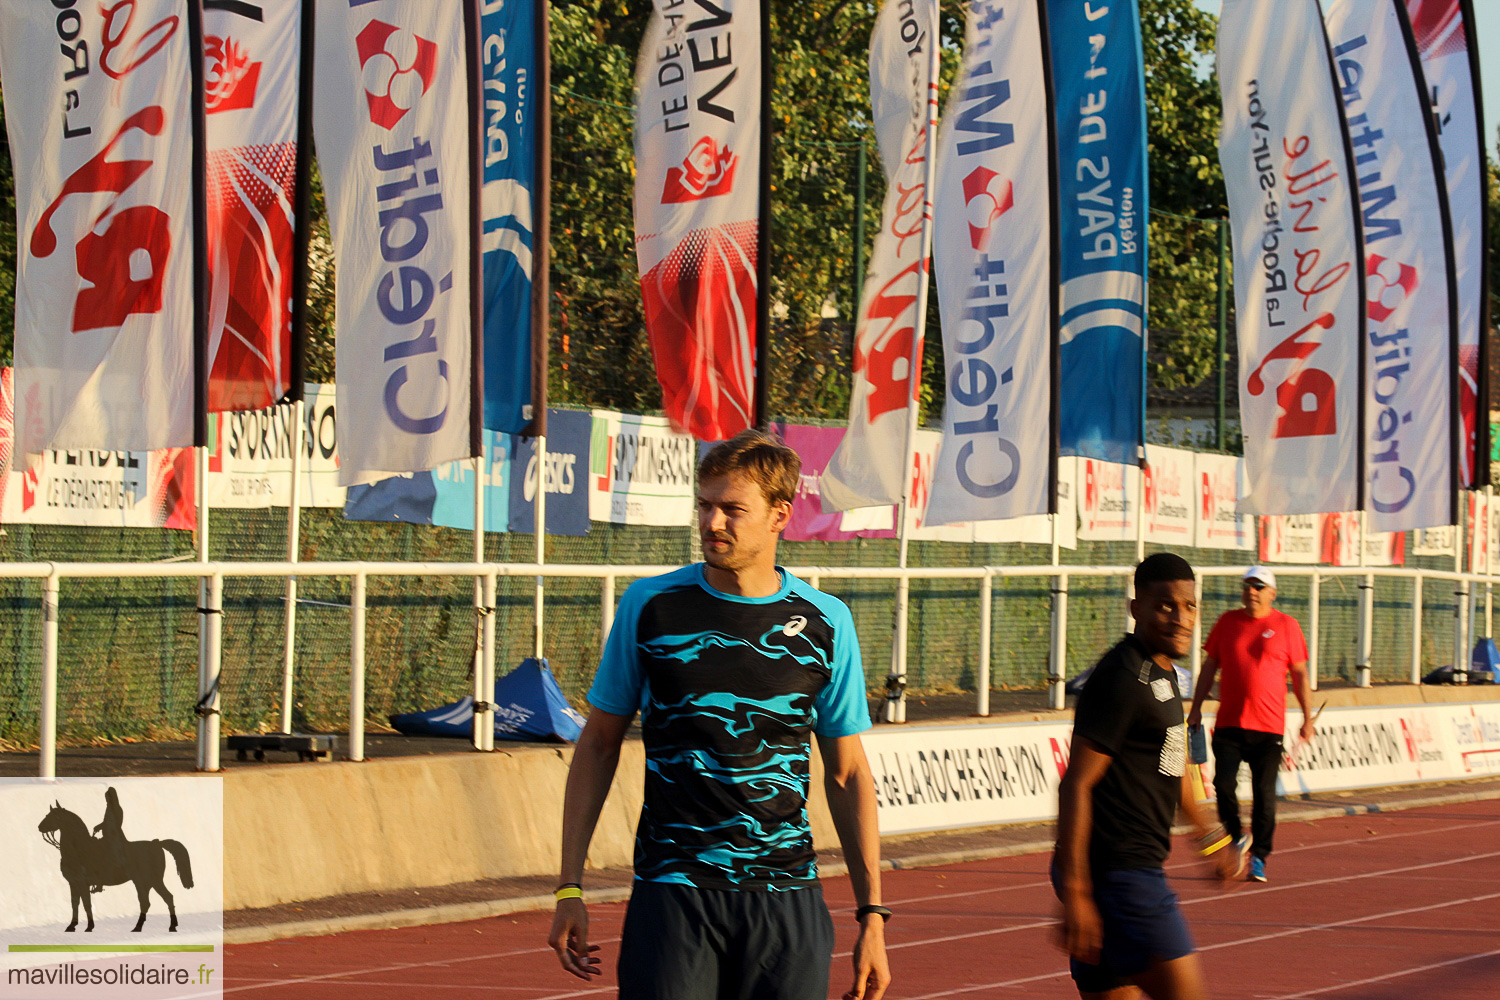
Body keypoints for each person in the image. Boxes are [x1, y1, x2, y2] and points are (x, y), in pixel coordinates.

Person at [547, 429, 891, 1000]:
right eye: (705, 506)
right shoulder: (650, 606)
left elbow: (848, 773)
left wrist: (872, 916)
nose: (713, 523)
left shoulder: (826, 622)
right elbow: (599, 745)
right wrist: (569, 888)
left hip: (787, 900)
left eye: (733, 509)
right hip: (674, 894)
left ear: (780, 515)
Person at [1053, 552, 1236, 1000]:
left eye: (1190, 606)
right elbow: (1076, 783)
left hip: (1124, 877)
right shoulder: (1122, 678)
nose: (1181, 618)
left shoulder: (1165, 676)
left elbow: (1175, 773)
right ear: (1136, 608)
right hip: (1123, 878)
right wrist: (1077, 893)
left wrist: (1212, 838)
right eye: (1165, 605)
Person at [1186, 565, 1314, 883]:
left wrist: (1307, 717)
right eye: (1247, 586)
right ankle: (1234, 836)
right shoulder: (1227, 622)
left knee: (1264, 796)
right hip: (1230, 722)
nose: (1251, 592)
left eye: (1258, 587)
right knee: (1224, 785)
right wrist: (1197, 707)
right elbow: (1210, 665)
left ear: (1272, 593)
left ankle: (1260, 857)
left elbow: (1299, 675)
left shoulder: (1287, 626)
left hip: (1268, 727)